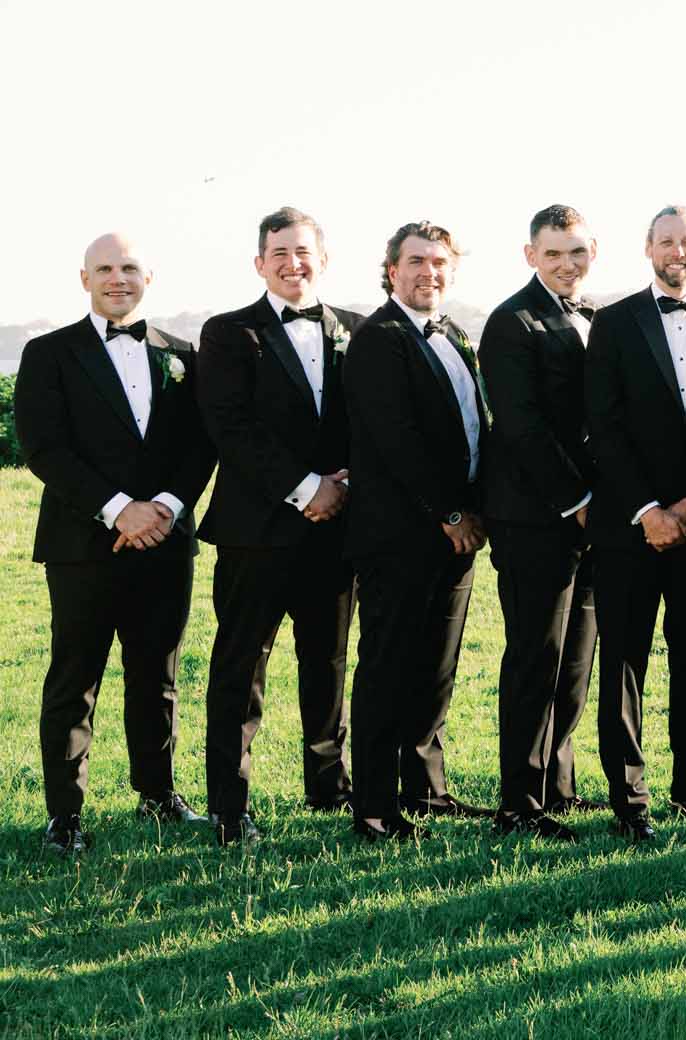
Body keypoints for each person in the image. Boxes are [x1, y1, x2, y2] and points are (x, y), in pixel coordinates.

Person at [17, 233, 217, 853]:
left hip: (166, 538)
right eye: (104, 268)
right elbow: (44, 447)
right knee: (75, 677)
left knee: (157, 674)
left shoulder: (183, 352)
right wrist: (118, 511)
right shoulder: (48, 352)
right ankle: (65, 815)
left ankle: (157, 796)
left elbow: (201, 445)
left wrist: (164, 508)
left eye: (129, 267)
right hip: (83, 542)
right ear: (84, 280)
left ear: (148, 277)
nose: (117, 278)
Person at [194, 208, 363, 843]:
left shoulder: (360, 330)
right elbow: (231, 429)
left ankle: (329, 786)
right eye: (280, 252)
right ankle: (229, 806)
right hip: (256, 532)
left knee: (328, 662)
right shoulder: (229, 333)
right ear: (259, 263)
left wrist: (343, 487)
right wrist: (304, 488)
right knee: (242, 668)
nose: (295, 263)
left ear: (324, 257)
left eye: (304, 251)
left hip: (337, 529)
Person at [584, 205, 686, 840]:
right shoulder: (613, 323)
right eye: (667, 242)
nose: (678, 252)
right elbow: (604, 427)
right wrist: (648, 511)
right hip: (629, 525)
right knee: (624, 660)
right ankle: (629, 797)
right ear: (647, 248)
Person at [344, 221, 490, 839]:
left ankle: (425, 789)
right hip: (400, 533)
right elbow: (395, 439)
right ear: (391, 270)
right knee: (388, 664)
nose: (429, 271)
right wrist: (449, 513)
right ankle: (374, 807)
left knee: (437, 665)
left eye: (439, 262)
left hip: (456, 534)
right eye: (416, 261)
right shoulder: (377, 338)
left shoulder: (453, 333)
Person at [479, 205, 603, 840]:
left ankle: (558, 782)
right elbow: (521, 426)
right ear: (531, 255)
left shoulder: (597, 320)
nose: (566, 264)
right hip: (534, 515)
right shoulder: (510, 323)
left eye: (576, 252)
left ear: (593, 253)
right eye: (553, 253)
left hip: (592, 517)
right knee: (536, 654)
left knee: (576, 657)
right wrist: (579, 501)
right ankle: (520, 803)